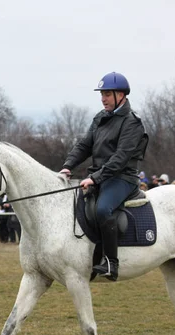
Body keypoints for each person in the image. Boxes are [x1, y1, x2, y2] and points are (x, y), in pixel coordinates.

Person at [60, 72, 148, 280]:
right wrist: (67, 166)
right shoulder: (100, 118)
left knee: (102, 209)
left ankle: (111, 263)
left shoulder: (132, 122)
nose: (103, 98)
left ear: (121, 95)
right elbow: (84, 145)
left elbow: (121, 158)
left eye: (107, 94)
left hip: (122, 178)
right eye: (102, 94)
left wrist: (96, 178)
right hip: (101, 176)